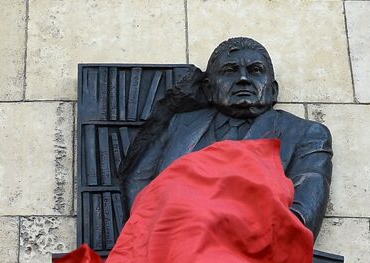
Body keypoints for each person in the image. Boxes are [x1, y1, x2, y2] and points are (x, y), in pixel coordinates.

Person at [121, 36, 332, 236]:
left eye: (255, 70)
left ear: (273, 91)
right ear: (209, 89)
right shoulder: (180, 125)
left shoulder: (306, 134)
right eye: (229, 71)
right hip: (169, 251)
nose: (242, 79)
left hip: (247, 258)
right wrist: (149, 236)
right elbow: (139, 181)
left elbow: (304, 216)